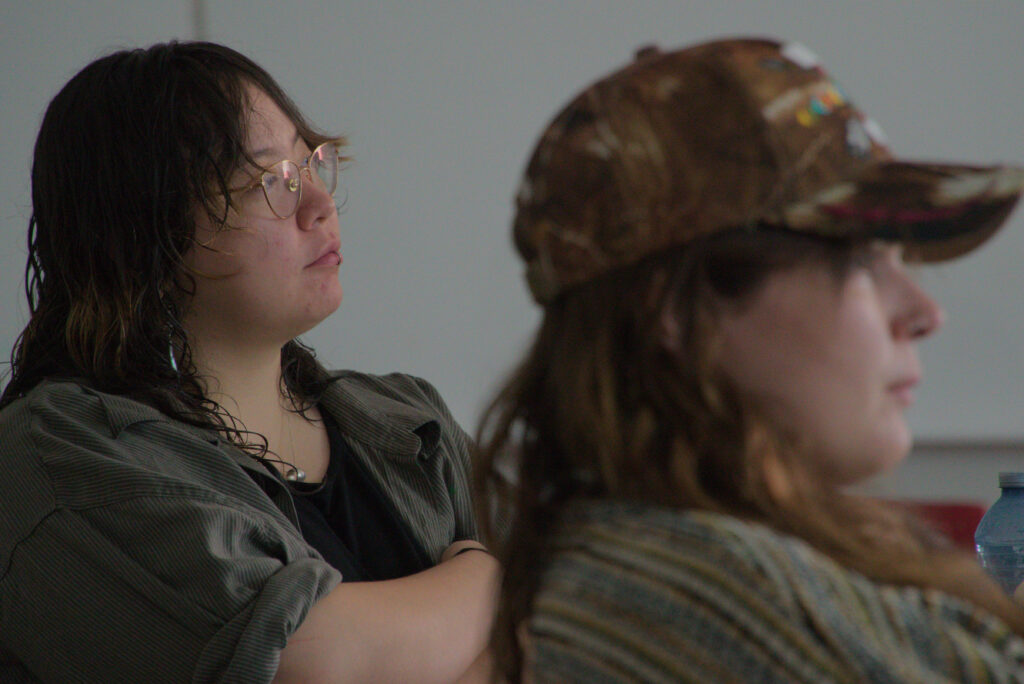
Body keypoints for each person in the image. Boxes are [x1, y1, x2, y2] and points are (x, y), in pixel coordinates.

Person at [474, 37, 1024, 682]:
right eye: (861, 261)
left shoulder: (732, 556)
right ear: (673, 313)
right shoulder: (684, 595)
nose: (926, 313)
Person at [0, 41, 497, 683]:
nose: (320, 203)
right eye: (272, 181)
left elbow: (574, 613)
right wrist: (489, 574)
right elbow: (301, 662)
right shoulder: (55, 457)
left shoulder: (407, 417)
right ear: (148, 233)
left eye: (309, 162)